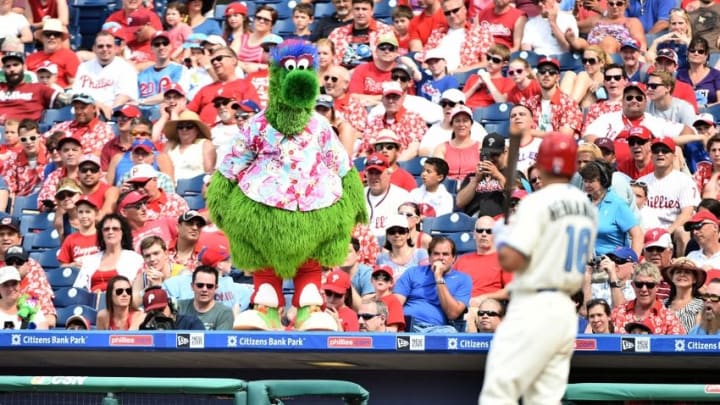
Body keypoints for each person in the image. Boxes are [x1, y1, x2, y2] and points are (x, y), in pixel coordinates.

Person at [480, 133, 598, 405]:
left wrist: (502, 234)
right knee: (544, 398)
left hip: (534, 304)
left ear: (543, 165)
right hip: (565, 311)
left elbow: (511, 260)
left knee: (498, 392)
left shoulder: (537, 202)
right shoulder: (587, 208)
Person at [395, 236, 472, 333]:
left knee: (450, 333)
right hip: (407, 326)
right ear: (430, 257)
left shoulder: (463, 279)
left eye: (445, 254)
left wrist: (438, 277)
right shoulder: (413, 272)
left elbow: (453, 313)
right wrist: (397, 325)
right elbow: (396, 303)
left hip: (436, 329)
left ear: (453, 258)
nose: (440, 258)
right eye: (436, 254)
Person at [638, 137, 700, 254]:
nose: (660, 154)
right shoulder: (642, 182)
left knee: (682, 232)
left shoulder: (684, 181)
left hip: (671, 232)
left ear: (674, 156)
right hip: (646, 231)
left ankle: (682, 266)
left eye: (665, 151)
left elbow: (687, 213)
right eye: (656, 151)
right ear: (651, 155)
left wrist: (666, 232)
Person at [580, 160, 642, 256]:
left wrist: (633, 263)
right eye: (585, 181)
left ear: (604, 180)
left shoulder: (617, 204)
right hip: (586, 262)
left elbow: (637, 234)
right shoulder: (582, 202)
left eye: (592, 181)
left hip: (612, 262)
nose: (587, 185)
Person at [73, 31, 139, 118]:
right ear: (94, 49)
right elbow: (77, 94)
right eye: (100, 46)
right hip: (84, 113)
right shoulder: (84, 67)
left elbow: (124, 96)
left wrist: (109, 111)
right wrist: (96, 105)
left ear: (115, 48)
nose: (105, 49)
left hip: (113, 114)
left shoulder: (126, 67)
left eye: (109, 46)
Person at [74, 214, 144, 292]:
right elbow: (78, 289)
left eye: (115, 229)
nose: (110, 232)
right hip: (92, 301)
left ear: (123, 233)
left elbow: (138, 289)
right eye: (106, 229)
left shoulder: (134, 258)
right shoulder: (89, 260)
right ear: (102, 234)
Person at [611, 262, 685, 334]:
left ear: (657, 286)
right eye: (639, 284)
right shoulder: (617, 313)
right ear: (633, 285)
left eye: (649, 285)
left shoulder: (669, 319)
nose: (644, 289)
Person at [455, 216, 512, 307]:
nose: (484, 234)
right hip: (460, 306)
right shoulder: (461, 260)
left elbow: (510, 291)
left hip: (487, 309)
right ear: (474, 234)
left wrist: (484, 298)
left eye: (489, 231)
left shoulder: (503, 259)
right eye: (480, 230)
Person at [525, 57, 583, 138]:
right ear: (537, 76)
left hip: (556, 148)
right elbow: (518, 130)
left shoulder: (569, 103)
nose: (547, 74)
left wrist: (531, 132)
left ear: (558, 77)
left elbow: (564, 136)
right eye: (542, 71)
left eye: (552, 72)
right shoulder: (529, 103)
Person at [418, 88, 487, 156]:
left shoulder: (475, 127)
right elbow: (422, 151)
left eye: (451, 104)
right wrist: (442, 153)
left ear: (462, 105)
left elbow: (486, 149)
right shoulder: (435, 128)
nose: (447, 107)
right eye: (444, 104)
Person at [328, 0, 393, 69]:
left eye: (364, 9)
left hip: (373, 74)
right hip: (342, 75)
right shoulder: (338, 33)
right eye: (357, 9)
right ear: (352, 11)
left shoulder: (384, 31)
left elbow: (389, 58)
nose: (360, 13)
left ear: (372, 11)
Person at [456, 133, 507, 218]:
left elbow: (516, 195)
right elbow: (459, 202)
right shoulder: (472, 177)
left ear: (504, 153)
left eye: (495, 155)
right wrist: (476, 180)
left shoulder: (514, 174)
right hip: (474, 222)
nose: (490, 159)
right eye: (487, 154)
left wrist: (498, 175)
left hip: (499, 221)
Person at [364, 153, 411, 236]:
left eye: (378, 172)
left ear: (389, 173)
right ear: (366, 175)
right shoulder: (359, 196)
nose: (374, 177)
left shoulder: (402, 197)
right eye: (371, 173)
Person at [176, 265, 234, 330]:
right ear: (192, 286)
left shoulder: (224, 313)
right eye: (200, 285)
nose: (204, 289)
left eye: (209, 286)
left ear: (216, 288)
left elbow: (220, 339)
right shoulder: (179, 307)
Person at [25, 19, 79, 89]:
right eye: (48, 34)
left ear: (61, 38)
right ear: (42, 37)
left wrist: (60, 93)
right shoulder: (31, 57)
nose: (52, 37)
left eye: (56, 34)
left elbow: (75, 84)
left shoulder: (69, 56)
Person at [163, 110, 216, 180]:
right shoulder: (170, 145)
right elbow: (162, 168)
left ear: (197, 130)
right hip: (170, 186)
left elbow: (209, 172)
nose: (184, 129)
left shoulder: (205, 144)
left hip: (194, 187)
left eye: (189, 126)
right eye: (180, 127)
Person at [432, 105, 481, 181]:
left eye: (465, 121)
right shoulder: (441, 148)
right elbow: (437, 174)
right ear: (452, 124)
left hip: (472, 186)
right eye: (457, 121)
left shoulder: (480, 147)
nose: (461, 124)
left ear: (471, 124)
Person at [375, 214, 429, 279]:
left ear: (408, 234)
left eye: (401, 231)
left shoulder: (420, 254)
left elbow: (426, 279)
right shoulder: (381, 258)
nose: (397, 235)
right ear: (387, 236)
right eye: (392, 232)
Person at [462, 44, 514, 109]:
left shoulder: (508, 82)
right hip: (466, 112)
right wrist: (476, 85)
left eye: (495, 60)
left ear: (504, 63)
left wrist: (488, 81)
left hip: (487, 115)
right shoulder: (473, 77)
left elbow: (502, 103)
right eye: (488, 57)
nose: (490, 62)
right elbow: (460, 101)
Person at [662, 258, 705, 333]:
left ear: (694, 279)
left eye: (687, 272)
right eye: (678, 272)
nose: (682, 275)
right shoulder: (663, 304)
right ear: (672, 278)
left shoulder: (702, 305)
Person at [677, 36, 720, 109]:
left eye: (700, 51)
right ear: (688, 54)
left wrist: (703, 108)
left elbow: (719, 103)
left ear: (706, 56)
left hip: (710, 114)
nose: (696, 53)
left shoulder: (716, 75)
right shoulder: (680, 74)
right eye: (692, 51)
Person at [57, 196, 100, 268]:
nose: (84, 216)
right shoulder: (70, 239)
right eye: (80, 212)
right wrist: (71, 265)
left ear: (96, 213)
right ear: (77, 214)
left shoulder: (103, 236)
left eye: (88, 212)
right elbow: (62, 265)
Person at [140, 286, 205, 330]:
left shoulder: (190, 323)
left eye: (161, 310)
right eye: (153, 312)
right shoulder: (146, 327)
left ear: (170, 305)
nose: (158, 315)